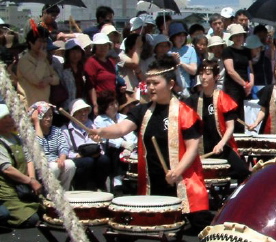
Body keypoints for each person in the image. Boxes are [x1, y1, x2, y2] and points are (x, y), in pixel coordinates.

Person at [90, 57, 208, 213]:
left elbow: (192, 148)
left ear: (171, 84)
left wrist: (177, 171)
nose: (150, 87)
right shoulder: (142, 111)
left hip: (181, 178)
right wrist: (101, 132)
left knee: (197, 223)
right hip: (152, 179)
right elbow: (121, 129)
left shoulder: (185, 113)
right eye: (148, 83)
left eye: (156, 83)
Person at [185, 60, 250, 184]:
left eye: (208, 74)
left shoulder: (224, 99)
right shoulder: (192, 100)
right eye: (201, 73)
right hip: (200, 149)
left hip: (222, 147)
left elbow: (230, 127)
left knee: (243, 172)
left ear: (217, 77)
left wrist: (221, 144)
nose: (203, 77)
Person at [0, 104, 42, 228]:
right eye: (5, 118)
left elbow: (29, 160)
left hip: (23, 186)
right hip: (8, 189)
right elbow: (7, 169)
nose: (10, 120)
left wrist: (32, 179)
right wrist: (30, 181)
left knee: (44, 211)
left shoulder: (16, 138)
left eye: (10, 117)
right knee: (31, 220)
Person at [61, 98, 111, 191]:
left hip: (94, 156)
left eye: (85, 110)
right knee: (87, 161)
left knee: (104, 160)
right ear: (73, 114)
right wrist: (77, 155)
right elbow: (65, 150)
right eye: (80, 111)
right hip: (78, 158)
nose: (83, 113)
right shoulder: (66, 130)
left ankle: (100, 185)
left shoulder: (93, 126)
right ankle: (81, 188)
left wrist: (98, 147)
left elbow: (101, 145)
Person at [93, 91, 137, 192]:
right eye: (111, 104)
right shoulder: (99, 120)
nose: (115, 106)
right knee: (116, 150)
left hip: (130, 147)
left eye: (116, 103)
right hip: (110, 149)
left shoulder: (123, 117)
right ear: (105, 106)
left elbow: (130, 133)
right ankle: (117, 181)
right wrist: (122, 144)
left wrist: (130, 144)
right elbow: (105, 137)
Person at [30, 102, 75, 190]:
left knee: (70, 164)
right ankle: (49, 194)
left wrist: (62, 158)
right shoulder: (30, 132)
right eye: (44, 116)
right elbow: (38, 150)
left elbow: (63, 146)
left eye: (50, 115)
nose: (48, 119)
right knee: (53, 167)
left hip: (55, 161)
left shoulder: (56, 131)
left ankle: (63, 192)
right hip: (40, 164)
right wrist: (37, 124)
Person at [16, 23, 60, 108]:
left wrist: (48, 79)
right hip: (29, 105)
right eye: (40, 41)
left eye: (44, 41)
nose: (43, 44)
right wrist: (40, 60)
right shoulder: (24, 60)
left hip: (44, 104)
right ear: (31, 43)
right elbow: (36, 80)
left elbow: (57, 79)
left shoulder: (44, 59)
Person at [222, 24, 253, 132]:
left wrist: (251, 84)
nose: (239, 37)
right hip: (233, 86)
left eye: (241, 35)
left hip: (246, 87)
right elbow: (230, 70)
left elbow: (251, 69)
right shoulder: (227, 51)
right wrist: (244, 84)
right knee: (233, 112)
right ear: (232, 38)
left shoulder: (247, 51)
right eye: (236, 35)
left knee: (245, 112)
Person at [84, 33, 118, 115]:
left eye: (105, 45)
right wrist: (95, 105)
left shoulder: (110, 62)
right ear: (95, 47)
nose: (103, 48)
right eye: (100, 45)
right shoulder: (91, 62)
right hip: (100, 102)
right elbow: (90, 85)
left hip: (111, 101)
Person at [168, 22, 198, 98]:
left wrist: (180, 62)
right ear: (173, 37)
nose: (182, 38)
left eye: (184, 35)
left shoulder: (190, 50)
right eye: (179, 35)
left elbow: (193, 70)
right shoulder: (168, 50)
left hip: (186, 88)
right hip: (170, 88)